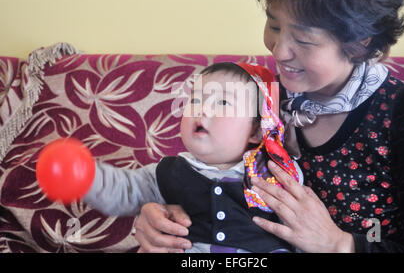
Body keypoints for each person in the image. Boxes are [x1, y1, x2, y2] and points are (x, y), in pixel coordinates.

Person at [134, 0, 404, 253]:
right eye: (274, 26)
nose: (279, 50)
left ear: (359, 42)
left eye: (303, 40)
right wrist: (164, 215)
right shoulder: (265, 95)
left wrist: (340, 244)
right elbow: (213, 178)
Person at [83, 62, 304, 253]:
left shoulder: (277, 175)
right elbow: (123, 190)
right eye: (195, 101)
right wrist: (83, 175)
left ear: (257, 130)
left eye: (223, 103)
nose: (203, 110)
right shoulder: (169, 171)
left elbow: (301, 233)